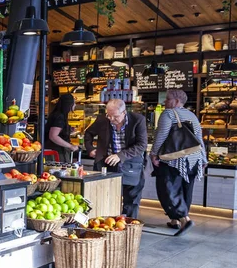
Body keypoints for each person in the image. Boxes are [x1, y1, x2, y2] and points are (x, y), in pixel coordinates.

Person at [150, 89, 206, 236]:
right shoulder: (192, 115)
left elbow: (161, 136)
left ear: (175, 101)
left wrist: (154, 154)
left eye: (167, 99)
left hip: (173, 159)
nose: (164, 102)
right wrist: (204, 158)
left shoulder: (168, 114)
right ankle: (176, 220)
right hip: (194, 159)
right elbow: (199, 138)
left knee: (167, 189)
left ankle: (184, 218)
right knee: (185, 189)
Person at [84, 99, 147, 218]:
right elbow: (88, 133)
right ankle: (106, 224)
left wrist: (120, 156)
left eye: (115, 116)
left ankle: (129, 225)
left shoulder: (138, 120)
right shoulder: (103, 119)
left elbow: (141, 145)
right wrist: (90, 148)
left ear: (124, 112)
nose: (111, 119)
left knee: (132, 198)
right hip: (107, 163)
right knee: (106, 195)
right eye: (109, 115)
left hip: (131, 163)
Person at [45, 93, 78, 163]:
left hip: (55, 152)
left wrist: (67, 130)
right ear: (69, 104)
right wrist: (71, 146)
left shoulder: (57, 114)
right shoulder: (60, 117)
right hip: (56, 154)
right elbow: (53, 136)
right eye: (74, 103)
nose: (75, 105)